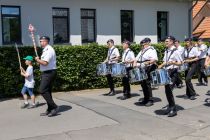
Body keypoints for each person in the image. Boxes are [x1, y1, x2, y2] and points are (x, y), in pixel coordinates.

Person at [158, 36, 182, 117]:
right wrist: (162, 65)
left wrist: (172, 63)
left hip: (173, 72)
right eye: (165, 41)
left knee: (169, 90)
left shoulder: (176, 51)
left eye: (167, 41)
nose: (165, 42)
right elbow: (165, 62)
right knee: (167, 91)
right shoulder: (166, 51)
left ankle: (173, 109)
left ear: (171, 42)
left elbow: (180, 63)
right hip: (167, 72)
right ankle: (171, 106)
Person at [35, 36, 58, 117]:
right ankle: (50, 109)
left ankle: (54, 106)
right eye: (40, 41)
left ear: (46, 41)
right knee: (47, 91)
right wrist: (39, 61)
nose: (40, 42)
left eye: (42, 41)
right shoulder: (45, 50)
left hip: (49, 72)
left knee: (42, 90)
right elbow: (43, 63)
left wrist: (38, 60)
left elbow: (45, 63)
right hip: (47, 72)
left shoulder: (49, 50)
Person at [134, 38, 158, 107]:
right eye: (142, 44)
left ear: (148, 43)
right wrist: (135, 63)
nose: (142, 46)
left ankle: (150, 100)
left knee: (147, 83)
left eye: (143, 44)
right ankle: (145, 98)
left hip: (149, 67)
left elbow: (154, 59)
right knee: (143, 83)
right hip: (141, 68)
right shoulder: (142, 50)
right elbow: (136, 58)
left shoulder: (151, 50)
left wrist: (149, 62)